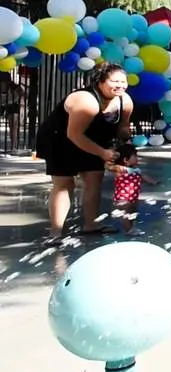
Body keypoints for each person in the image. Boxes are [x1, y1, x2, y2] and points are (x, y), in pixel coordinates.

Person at [35, 63, 134, 241]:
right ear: (100, 82)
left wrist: (126, 142)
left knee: (94, 178)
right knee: (65, 184)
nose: (120, 85)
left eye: (123, 81)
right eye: (114, 81)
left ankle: (91, 225)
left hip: (94, 138)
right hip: (60, 139)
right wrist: (102, 153)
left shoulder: (124, 101)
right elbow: (74, 134)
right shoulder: (86, 101)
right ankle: (55, 232)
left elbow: (123, 126)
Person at [105, 143, 159, 234]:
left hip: (133, 198)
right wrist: (113, 157)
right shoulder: (120, 169)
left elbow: (144, 177)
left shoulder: (136, 170)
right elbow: (107, 166)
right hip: (123, 198)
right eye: (135, 156)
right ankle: (129, 231)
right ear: (126, 160)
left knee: (132, 213)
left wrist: (153, 182)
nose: (137, 158)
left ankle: (131, 227)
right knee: (125, 215)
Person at [0, 71, 25, 152]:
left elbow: (22, 92)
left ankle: (13, 146)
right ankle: (13, 145)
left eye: (5, 82)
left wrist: (18, 97)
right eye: (2, 82)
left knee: (13, 124)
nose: (3, 84)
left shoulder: (13, 87)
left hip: (12, 104)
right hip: (3, 103)